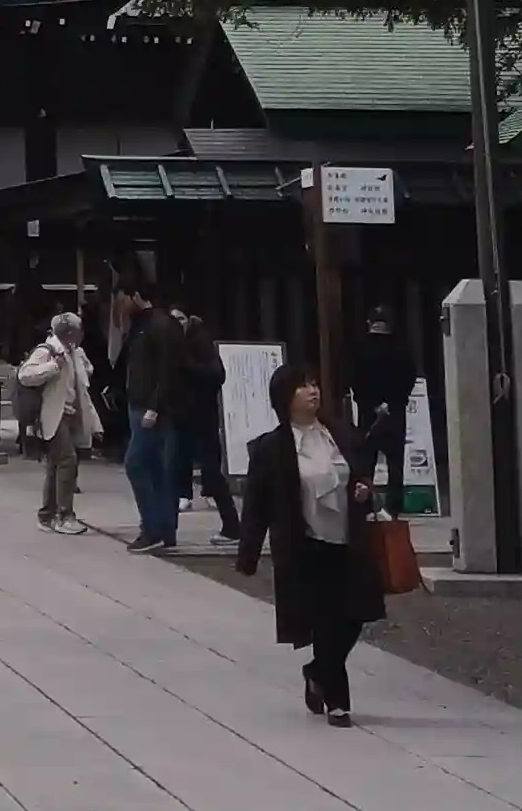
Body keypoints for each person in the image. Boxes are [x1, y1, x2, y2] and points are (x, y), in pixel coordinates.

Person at [236, 363, 386, 726]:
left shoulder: (340, 434)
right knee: (326, 621)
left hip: (348, 539)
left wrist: (364, 490)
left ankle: (317, 672)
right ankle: (337, 701)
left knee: (355, 616)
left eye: (314, 384)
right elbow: (257, 503)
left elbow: (361, 472)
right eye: (303, 386)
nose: (312, 391)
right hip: (305, 544)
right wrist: (248, 554)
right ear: (285, 397)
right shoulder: (272, 447)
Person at [16, 311, 101, 534]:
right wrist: (53, 366)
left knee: (55, 464)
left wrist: (94, 422)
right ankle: (64, 515)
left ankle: (47, 515)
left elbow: (82, 386)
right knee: (67, 460)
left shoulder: (74, 351)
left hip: (69, 413)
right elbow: (25, 375)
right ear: (70, 333)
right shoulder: (48, 351)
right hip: (53, 414)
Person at [122, 284, 186, 552]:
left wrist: (155, 406)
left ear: (136, 295)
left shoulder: (160, 325)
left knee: (136, 463)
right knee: (155, 467)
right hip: (140, 402)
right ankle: (164, 528)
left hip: (150, 406)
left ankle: (152, 527)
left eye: (123, 298)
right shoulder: (141, 324)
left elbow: (169, 369)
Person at [175, 309, 241, 545]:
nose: (177, 323)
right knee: (177, 463)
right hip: (183, 414)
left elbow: (216, 375)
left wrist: (186, 366)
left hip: (203, 416)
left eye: (181, 319)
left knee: (212, 473)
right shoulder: (175, 343)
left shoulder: (200, 341)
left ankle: (232, 527)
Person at [350, 306, 417, 520]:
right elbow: (409, 378)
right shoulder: (401, 348)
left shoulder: (360, 348)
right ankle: (392, 508)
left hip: (369, 413)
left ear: (369, 323)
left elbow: (354, 379)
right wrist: (392, 403)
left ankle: (364, 506)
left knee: (365, 461)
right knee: (395, 462)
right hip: (394, 412)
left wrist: (372, 404)